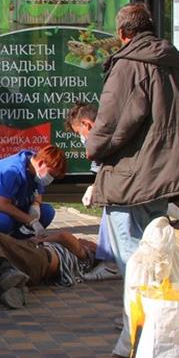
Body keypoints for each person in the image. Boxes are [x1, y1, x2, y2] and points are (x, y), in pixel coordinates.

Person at [85, 1, 179, 358]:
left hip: (134, 174)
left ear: (123, 34)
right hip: (166, 172)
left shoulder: (128, 65)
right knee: (155, 251)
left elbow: (113, 121)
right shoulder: (173, 60)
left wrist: (94, 148)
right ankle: (149, 321)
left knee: (134, 258)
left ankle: (140, 331)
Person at [0, 227, 119, 309]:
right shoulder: (81, 263)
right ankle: (2, 294)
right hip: (27, 271)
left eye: (92, 243)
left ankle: (4, 269)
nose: (86, 240)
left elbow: (66, 236)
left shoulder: (84, 257)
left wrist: (42, 240)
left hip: (39, 258)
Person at [0, 145, 66, 237]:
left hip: (3, 210)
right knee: (2, 221)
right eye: (50, 174)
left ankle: (18, 243)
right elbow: (2, 205)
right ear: (41, 163)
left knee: (47, 212)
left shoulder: (35, 167)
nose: (50, 179)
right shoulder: (13, 171)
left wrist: (36, 204)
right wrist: (31, 220)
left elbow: (38, 192)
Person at [64, 101, 115, 264]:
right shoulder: (104, 135)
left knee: (115, 220)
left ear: (86, 124)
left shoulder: (110, 136)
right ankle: (107, 258)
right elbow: (99, 166)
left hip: (131, 188)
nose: (81, 138)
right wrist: (94, 186)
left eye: (79, 132)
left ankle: (110, 262)